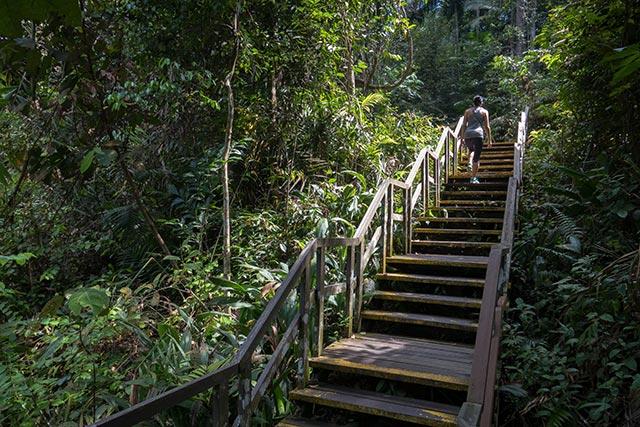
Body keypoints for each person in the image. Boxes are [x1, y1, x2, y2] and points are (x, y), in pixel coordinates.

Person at [460, 95, 493, 183]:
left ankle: (469, 163)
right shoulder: (484, 112)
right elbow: (487, 126)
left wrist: (462, 138)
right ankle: (473, 178)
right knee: (477, 158)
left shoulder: (467, 111)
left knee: (471, 150)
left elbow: (464, 125)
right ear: (481, 103)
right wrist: (489, 139)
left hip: (468, 134)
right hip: (478, 135)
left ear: (473, 103)